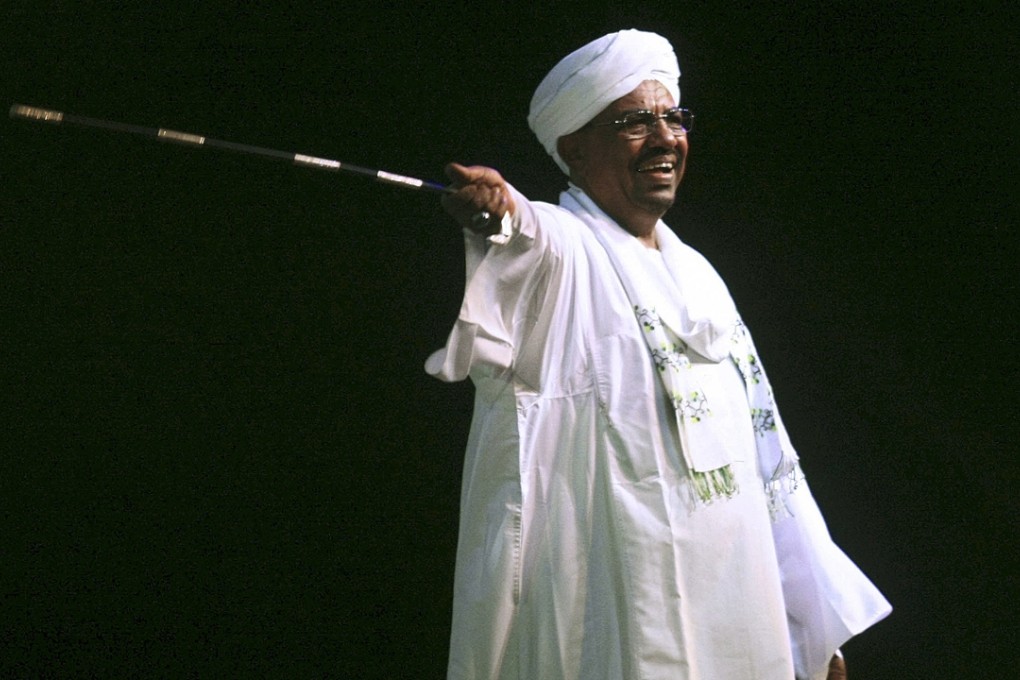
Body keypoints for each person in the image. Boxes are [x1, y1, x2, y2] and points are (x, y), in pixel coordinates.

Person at [426, 29, 890, 680]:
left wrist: (816, 629)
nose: (666, 137)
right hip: (620, 625)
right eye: (636, 121)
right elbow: (525, 235)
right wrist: (497, 214)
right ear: (575, 148)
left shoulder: (702, 278)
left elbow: (771, 462)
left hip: (741, 619)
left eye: (674, 116)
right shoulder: (567, 253)